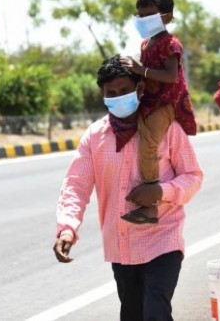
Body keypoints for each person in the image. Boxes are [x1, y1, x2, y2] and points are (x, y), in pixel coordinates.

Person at [53, 55, 203, 321]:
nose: (118, 97)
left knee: (156, 312)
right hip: (121, 247)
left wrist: (160, 191)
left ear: (140, 89)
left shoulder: (166, 128)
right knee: (132, 315)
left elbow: (192, 176)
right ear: (102, 94)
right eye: (111, 93)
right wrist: (67, 228)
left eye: (124, 90)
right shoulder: (95, 137)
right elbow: (76, 185)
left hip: (162, 240)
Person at [120, 0, 196, 225]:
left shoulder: (171, 44)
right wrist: (139, 79)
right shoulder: (146, 45)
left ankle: (150, 204)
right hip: (150, 100)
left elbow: (170, 76)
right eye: (140, 15)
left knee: (148, 145)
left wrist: (140, 69)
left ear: (167, 17)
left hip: (166, 101)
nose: (142, 20)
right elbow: (147, 75)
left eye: (148, 15)